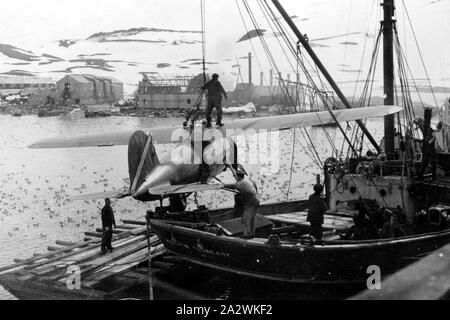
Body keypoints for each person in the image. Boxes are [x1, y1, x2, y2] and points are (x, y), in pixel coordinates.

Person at [224, 170, 260, 238]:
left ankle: (247, 235)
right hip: (256, 199)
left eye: (235, 176)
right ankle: (252, 232)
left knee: (245, 217)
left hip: (251, 201)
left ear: (237, 176)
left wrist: (222, 185)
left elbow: (232, 185)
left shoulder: (240, 183)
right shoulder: (248, 181)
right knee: (252, 217)